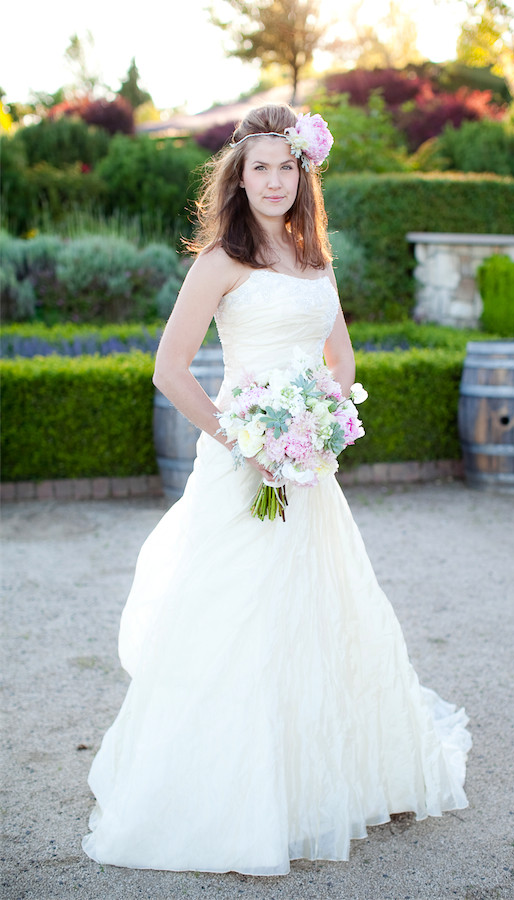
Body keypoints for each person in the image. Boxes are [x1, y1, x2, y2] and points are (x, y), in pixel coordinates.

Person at [82, 103, 471, 876]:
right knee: (239, 623)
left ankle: (323, 778)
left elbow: (343, 361)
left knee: (322, 616)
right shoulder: (220, 262)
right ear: (239, 175)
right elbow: (169, 369)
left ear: (302, 176)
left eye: (285, 167)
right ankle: (234, 794)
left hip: (307, 472)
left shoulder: (314, 259)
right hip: (242, 472)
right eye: (258, 167)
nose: (272, 180)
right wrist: (247, 443)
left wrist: (318, 424)